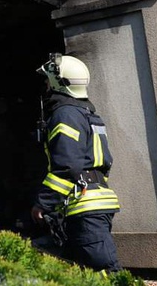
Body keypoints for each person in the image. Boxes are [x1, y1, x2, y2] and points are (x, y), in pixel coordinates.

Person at [31, 53, 121, 272]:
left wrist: (42, 203)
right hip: (92, 202)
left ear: (56, 82)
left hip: (84, 206)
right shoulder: (86, 113)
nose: (44, 85)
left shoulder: (65, 114)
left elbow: (68, 166)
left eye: (46, 80)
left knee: (105, 272)